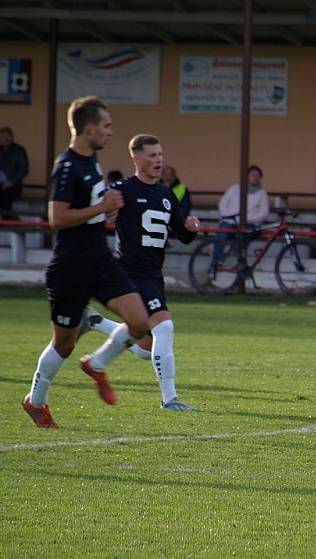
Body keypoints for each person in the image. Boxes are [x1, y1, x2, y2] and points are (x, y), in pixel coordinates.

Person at [22, 96, 150, 429]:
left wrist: (106, 209)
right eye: (106, 126)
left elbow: (89, 206)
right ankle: (36, 402)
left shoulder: (91, 158)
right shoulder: (66, 166)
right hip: (70, 268)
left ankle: (96, 363)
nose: (111, 132)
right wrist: (99, 207)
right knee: (63, 343)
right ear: (89, 128)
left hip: (100, 260)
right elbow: (57, 217)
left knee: (140, 323)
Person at [84, 134, 201, 411]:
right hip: (130, 272)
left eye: (160, 155)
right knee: (165, 327)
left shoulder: (165, 194)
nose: (158, 160)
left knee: (144, 346)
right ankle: (170, 399)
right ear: (135, 157)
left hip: (153, 274)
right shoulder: (121, 189)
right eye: (151, 155)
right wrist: (104, 215)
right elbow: (95, 219)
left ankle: (96, 328)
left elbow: (182, 235)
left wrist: (191, 229)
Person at [211, 165, 269, 265]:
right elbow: (223, 204)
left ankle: (239, 262)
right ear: (246, 176)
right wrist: (228, 216)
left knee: (242, 235)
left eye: (258, 175)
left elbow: (264, 213)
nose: (255, 177)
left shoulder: (262, 193)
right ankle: (216, 262)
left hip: (249, 223)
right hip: (230, 221)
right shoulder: (235, 188)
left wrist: (248, 219)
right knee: (222, 232)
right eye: (253, 174)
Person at [0, 126, 29, 219]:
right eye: (3, 136)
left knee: (5, 195)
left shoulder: (19, 150)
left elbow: (23, 169)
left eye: (8, 136)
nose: (6, 139)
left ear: (12, 137)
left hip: (13, 185)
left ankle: (7, 219)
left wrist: (11, 182)